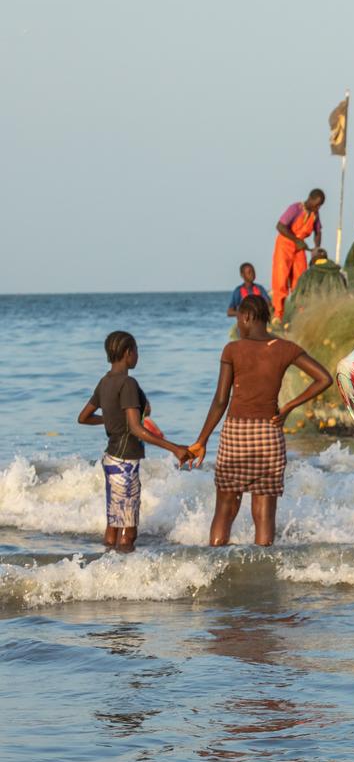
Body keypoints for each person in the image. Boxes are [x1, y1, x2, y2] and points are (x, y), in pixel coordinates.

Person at [186, 295, 334, 546]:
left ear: (246, 317)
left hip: (236, 435)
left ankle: (215, 570)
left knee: (225, 511)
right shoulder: (285, 348)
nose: (239, 327)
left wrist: (202, 440)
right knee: (264, 516)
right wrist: (288, 407)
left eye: (239, 321)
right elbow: (324, 378)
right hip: (269, 434)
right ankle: (264, 574)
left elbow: (220, 401)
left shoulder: (233, 349)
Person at [78, 331, 194, 552]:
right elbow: (136, 428)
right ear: (128, 353)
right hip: (125, 462)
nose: (138, 355)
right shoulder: (128, 383)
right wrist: (174, 448)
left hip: (111, 458)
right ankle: (125, 576)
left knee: (113, 523)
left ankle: (107, 569)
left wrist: (112, 419)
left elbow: (83, 417)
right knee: (129, 531)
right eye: (137, 351)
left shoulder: (105, 382)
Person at [271, 190, 325, 320]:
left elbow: (318, 232)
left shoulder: (315, 214)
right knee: (281, 281)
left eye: (320, 205)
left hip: (299, 249)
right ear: (310, 199)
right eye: (316, 204)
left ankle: (300, 315)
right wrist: (296, 240)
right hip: (285, 245)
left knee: (300, 281)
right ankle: (278, 315)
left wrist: (316, 248)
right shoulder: (295, 209)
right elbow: (280, 226)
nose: (318, 208)